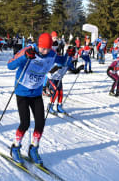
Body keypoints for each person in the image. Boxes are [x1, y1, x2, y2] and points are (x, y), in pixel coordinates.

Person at [7, 33, 71, 165]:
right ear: (38, 45)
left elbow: (64, 62)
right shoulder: (28, 50)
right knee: (25, 123)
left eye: (48, 48)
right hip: (22, 91)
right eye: (43, 49)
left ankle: (33, 148)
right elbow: (10, 65)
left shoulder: (51, 54)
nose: (45, 51)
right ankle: (15, 147)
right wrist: (25, 57)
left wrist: (68, 55)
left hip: (36, 92)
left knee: (40, 122)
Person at [46, 46, 83, 114]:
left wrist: (78, 69)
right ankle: (50, 106)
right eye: (70, 52)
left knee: (60, 92)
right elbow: (50, 68)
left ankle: (59, 106)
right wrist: (56, 68)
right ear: (67, 51)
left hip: (59, 79)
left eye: (72, 52)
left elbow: (73, 70)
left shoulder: (69, 62)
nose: (71, 54)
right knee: (56, 92)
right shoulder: (60, 58)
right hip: (52, 78)